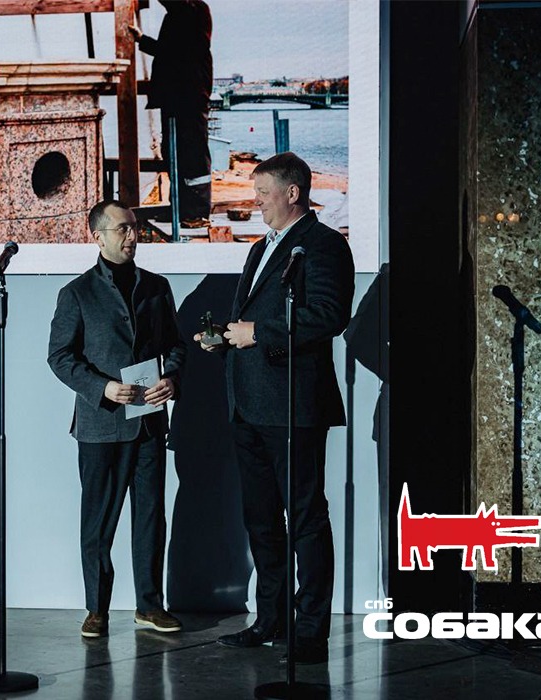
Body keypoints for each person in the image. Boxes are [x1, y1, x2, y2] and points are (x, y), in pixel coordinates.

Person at [194, 152, 354, 665]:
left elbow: (328, 315)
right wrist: (224, 338)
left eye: (263, 193)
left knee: (305, 519)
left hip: (293, 407)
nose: (256, 201)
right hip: (248, 405)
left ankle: (310, 632)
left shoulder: (324, 245)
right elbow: (252, 318)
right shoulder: (262, 247)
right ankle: (270, 620)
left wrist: (258, 333)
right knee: (262, 521)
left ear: (293, 193)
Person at [47, 199, 186, 638]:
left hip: (148, 422)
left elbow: (175, 346)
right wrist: (102, 388)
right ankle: (97, 609)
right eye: (122, 228)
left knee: (150, 518)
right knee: (98, 522)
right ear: (98, 236)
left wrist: (171, 378)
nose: (132, 236)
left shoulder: (156, 287)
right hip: (101, 425)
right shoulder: (76, 293)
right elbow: (60, 357)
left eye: (134, 227)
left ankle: (150, 606)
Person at [129, 1, 213, 228]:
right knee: (173, 152)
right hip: (176, 96)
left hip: (190, 96)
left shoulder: (193, 10)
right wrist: (142, 39)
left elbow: (173, 52)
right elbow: (168, 50)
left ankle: (197, 212)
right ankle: (179, 207)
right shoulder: (179, 14)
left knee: (192, 154)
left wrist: (143, 40)